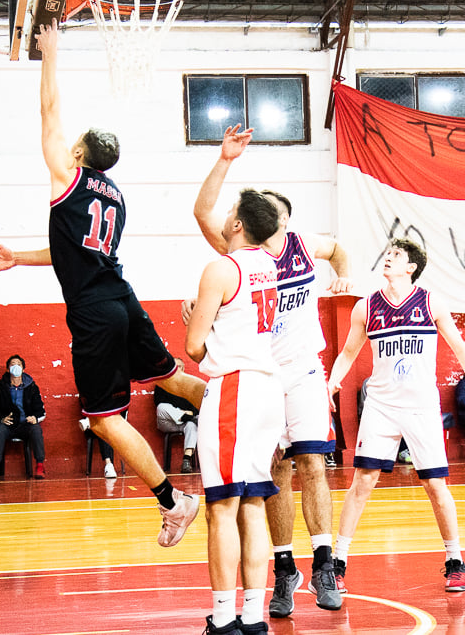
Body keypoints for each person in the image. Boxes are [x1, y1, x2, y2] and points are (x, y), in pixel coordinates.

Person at [0, 21, 202, 547]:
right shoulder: (115, 195)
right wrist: (18, 259)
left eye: (72, 144)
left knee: (102, 421)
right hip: (122, 295)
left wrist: (50, 53)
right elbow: (71, 252)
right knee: (170, 377)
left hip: (95, 311)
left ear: (78, 155)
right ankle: (245, 409)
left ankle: (174, 501)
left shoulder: (67, 176)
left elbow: (49, 112)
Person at [191, 125, 353, 616]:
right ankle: (284, 570)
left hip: (301, 368)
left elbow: (339, 249)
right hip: (259, 375)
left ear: (284, 219)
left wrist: (343, 274)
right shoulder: (242, 256)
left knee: (311, 463)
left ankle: (325, 561)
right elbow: (204, 214)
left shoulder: (305, 244)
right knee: (274, 472)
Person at [327, 239, 465, 595]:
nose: (388, 258)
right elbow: (348, 352)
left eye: (396, 255)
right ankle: (338, 562)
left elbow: (461, 348)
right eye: (387, 253)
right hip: (380, 405)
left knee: (436, 486)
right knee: (362, 481)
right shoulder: (365, 307)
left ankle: (455, 561)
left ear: (411, 267)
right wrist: (330, 382)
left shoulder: (430, 302)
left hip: (421, 407)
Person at [184, 187, 283, 635]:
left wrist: (196, 319)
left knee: (222, 507)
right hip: (268, 388)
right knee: (254, 502)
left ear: (239, 224)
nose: (223, 216)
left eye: (230, 212)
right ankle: (253, 617)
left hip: (235, 389)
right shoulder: (270, 264)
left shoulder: (220, 269)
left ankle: (224, 620)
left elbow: (193, 347)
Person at [0, 354, 47, 479]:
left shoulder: (32, 387)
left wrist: (35, 417)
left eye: (19, 364)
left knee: (36, 429)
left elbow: (41, 410)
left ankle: (40, 465)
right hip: (9, 426)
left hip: (25, 425)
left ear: (23, 369)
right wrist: (1, 418)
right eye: (13, 364)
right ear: (8, 369)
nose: (16, 367)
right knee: (0, 429)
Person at [155, 359, 199, 474]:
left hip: (185, 423)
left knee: (191, 425)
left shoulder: (190, 385)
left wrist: (189, 414)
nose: (176, 369)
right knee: (161, 407)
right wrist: (183, 412)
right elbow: (158, 402)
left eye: (179, 366)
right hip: (167, 423)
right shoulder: (162, 383)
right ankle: (189, 418)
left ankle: (186, 460)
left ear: (183, 369)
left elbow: (195, 407)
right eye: (174, 366)